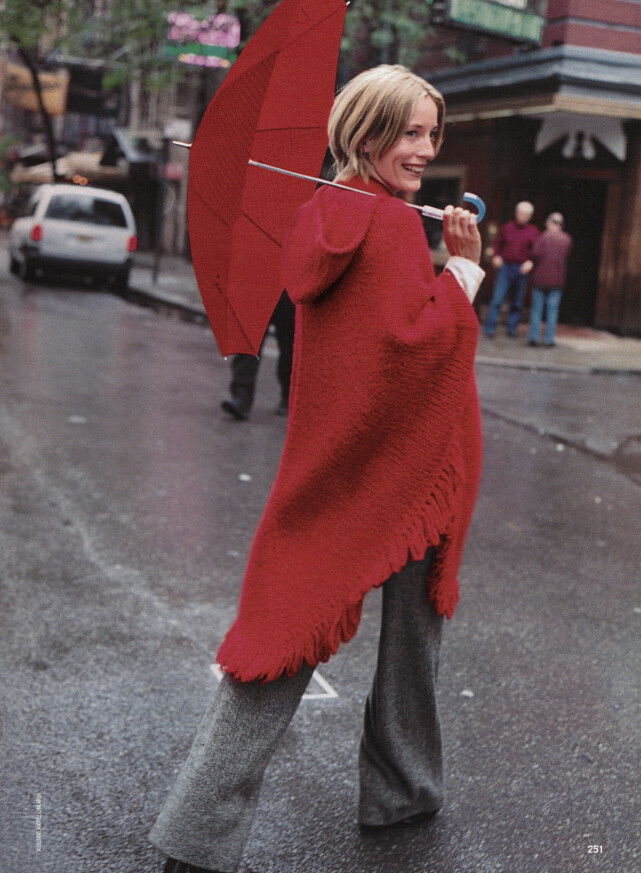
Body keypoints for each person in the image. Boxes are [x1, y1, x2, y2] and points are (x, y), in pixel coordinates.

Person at [150, 64, 485, 873]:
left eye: (431, 133)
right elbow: (412, 347)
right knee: (360, 637)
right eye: (409, 133)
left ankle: (398, 788)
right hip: (414, 466)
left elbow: (371, 345)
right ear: (366, 135)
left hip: (351, 460)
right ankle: (212, 830)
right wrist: (462, 271)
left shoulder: (329, 212)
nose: (424, 149)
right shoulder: (387, 223)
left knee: (308, 626)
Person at [220, 291, 295, 420]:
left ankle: (289, 394)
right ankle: (241, 397)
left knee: (289, 348)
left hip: (289, 289)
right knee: (248, 341)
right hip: (258, 287)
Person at [483, 201, 539, 338]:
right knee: (497, 299)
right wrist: (496, 256)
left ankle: (512, 329)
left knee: (517, 301)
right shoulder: (507, 228)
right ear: (516, 213)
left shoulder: (533, 232)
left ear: (530, 216)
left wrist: (531, 262)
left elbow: (536, 251)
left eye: (525, 214)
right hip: (506, 267)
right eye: (520, 213)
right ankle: (490, 328)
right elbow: (497, 244)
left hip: (521, 269)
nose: (522, 216)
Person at [527, 212, 573, 348]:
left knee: (537, 310)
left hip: (540, 278)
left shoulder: (542, 237)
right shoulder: (567, 239)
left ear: (549, 223)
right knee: (552, 310)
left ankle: (534, 338)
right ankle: (549, 340)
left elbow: (535, 254)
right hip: (557, 280)